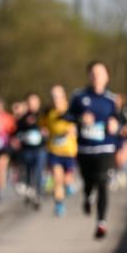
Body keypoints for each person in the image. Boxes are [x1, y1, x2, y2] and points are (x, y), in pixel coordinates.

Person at [66, 61, 120, 240]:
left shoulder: (111, 100)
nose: (96, 76)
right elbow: (68, 115)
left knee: (103, 182)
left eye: (100, 73)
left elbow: (120, 121)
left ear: (107, 77)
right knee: (89, 181)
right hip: (85, 149)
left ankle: (101, 222)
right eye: (93, 73)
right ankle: (88, 196)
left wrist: (115, 125)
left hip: (105, 147)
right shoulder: (79, 96)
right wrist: (80, 119)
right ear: (89, 76)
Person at [40, 85, 78, 217]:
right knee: (57, 179)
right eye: (53, 97)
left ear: (64, 97)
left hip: (69, 152)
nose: (55, 99)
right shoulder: (48, 113)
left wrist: (73, 131)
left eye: (58, 96)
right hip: (54, 151)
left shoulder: (71, 110)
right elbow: (42, 127)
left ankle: (68, 186)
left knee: (67, 180)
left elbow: (80, 123)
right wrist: (43, 132)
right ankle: (59, 205)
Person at [14, 92, 47, 210]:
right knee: (28, 172)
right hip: (27, 149)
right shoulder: (22, 118)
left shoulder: (43, 116)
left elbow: (49, 129)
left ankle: (38, 195)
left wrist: (45, 133)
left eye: (35, 101)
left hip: (40, 149)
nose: (32, 104)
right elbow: (16, 133)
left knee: (38, 171)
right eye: (30, 102)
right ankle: (30, 192)